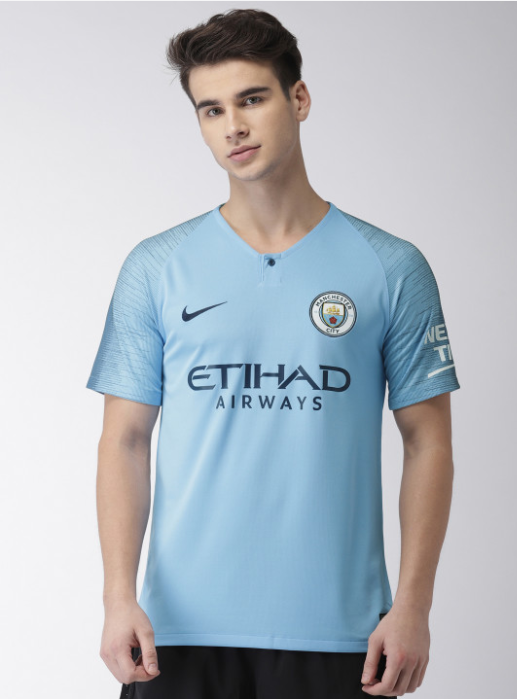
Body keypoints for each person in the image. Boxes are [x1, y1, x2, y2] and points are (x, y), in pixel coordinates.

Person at [86, 8, 461, 699]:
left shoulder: (391, 267)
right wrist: (117, 598)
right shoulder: (157, 267)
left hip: (343, 637)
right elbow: (125, 441)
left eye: (252, 99)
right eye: (211, 110)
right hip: (177, 637)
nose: (233, 126)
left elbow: (428, 441)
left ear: (299, 98)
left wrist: (413, 607)